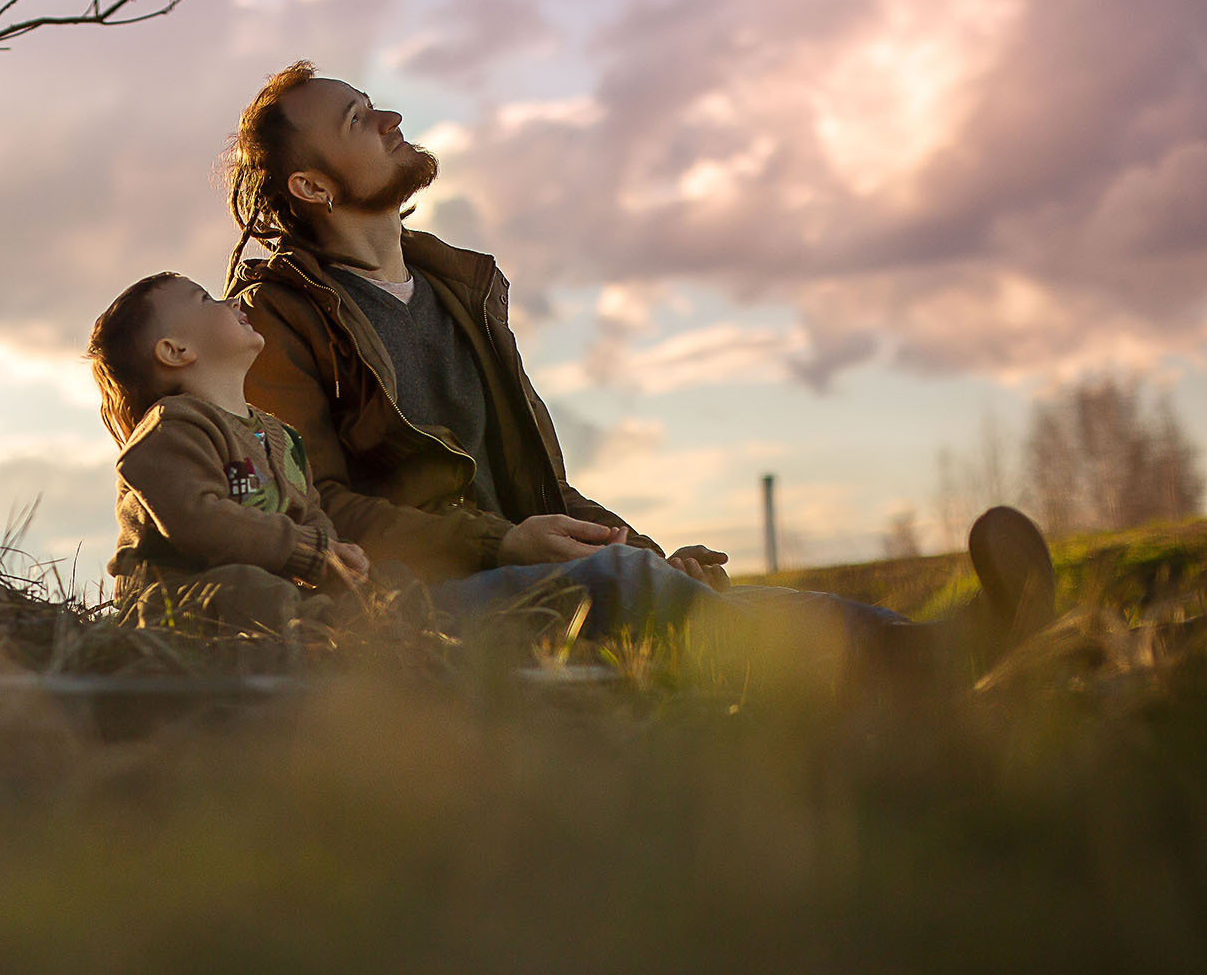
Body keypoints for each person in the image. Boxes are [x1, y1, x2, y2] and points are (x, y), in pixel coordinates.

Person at [220, 60, 1053, 667]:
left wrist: (649, 550)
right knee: (618, 587)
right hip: (405, 609)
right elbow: (312, 508)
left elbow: (536, 494)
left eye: (376, 105)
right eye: (359, 119)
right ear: (314, 190)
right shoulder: (275, 323)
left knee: (701, 590)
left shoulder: (458, 293)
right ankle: (929, 669)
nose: (392, 118)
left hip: (507, 568)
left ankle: (955, 649)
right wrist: (505, 543)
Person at [88, 270, 370, 633]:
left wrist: (334, 554)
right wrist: (307, 551)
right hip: (177, 598)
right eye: (205, 299)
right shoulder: (170, 428)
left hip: (271, 592)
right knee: (251, 591)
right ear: (175, 351)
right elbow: (199, 521)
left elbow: (309, 513)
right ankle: (330, 632)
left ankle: (364, 624)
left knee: (386, 576)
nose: (233, 300)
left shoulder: (280, 436)